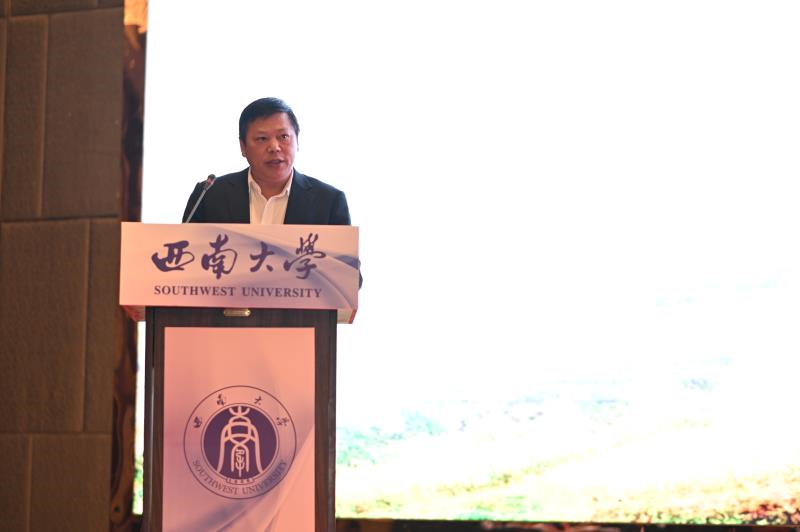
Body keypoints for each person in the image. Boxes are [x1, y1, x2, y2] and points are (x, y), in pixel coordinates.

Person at [183, 97, 352, 225]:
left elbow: (344, 263)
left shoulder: (329, 202)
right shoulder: (208, 195)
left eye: (283, 136)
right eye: (262, 138)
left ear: (297, 141)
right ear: (243, 147)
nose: (274, 147)